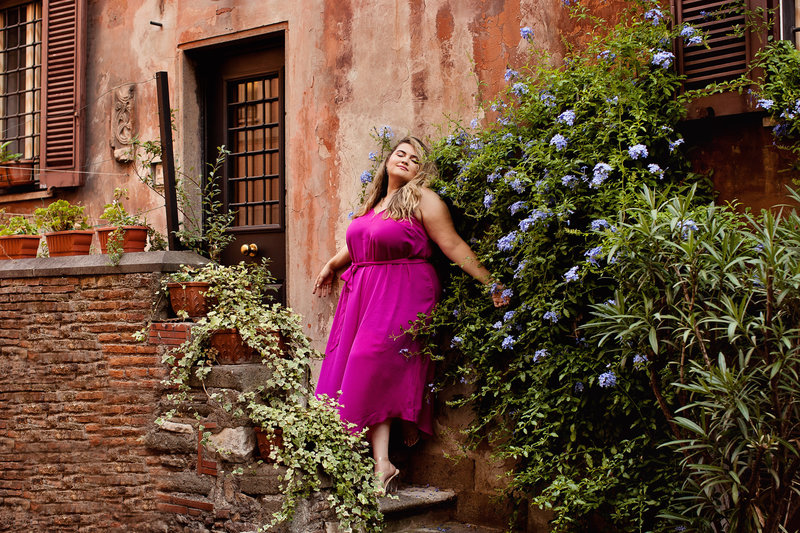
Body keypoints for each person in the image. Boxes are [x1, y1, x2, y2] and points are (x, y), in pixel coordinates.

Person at [313, 135, 507, 494]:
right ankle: (383, 463)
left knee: (368, 360)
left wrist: (491, 282)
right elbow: (359, 241)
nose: (405, 160)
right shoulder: (375, 202)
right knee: (366, 365)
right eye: (400, 153)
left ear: (421, 170)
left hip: (405, 290)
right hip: (366, 292)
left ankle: (403, 421)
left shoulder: (423, 200)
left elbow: (452, 245)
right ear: (387, 160)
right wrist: (331, 264)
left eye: (414, 159)